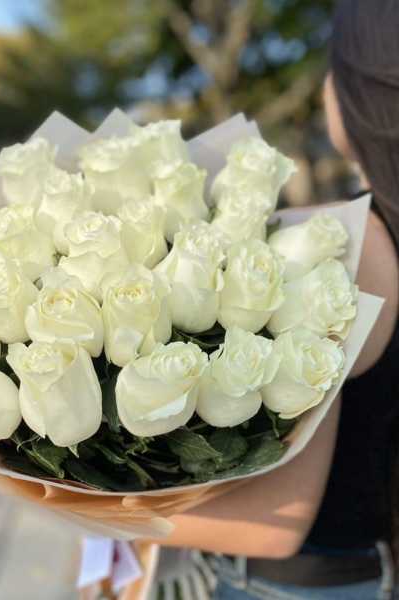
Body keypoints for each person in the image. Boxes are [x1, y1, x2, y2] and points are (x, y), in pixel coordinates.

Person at [148, 1, 399, 598]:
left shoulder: (343, 247)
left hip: (290, 584)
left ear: (360, 93)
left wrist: (56, 501)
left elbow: (275, 525)